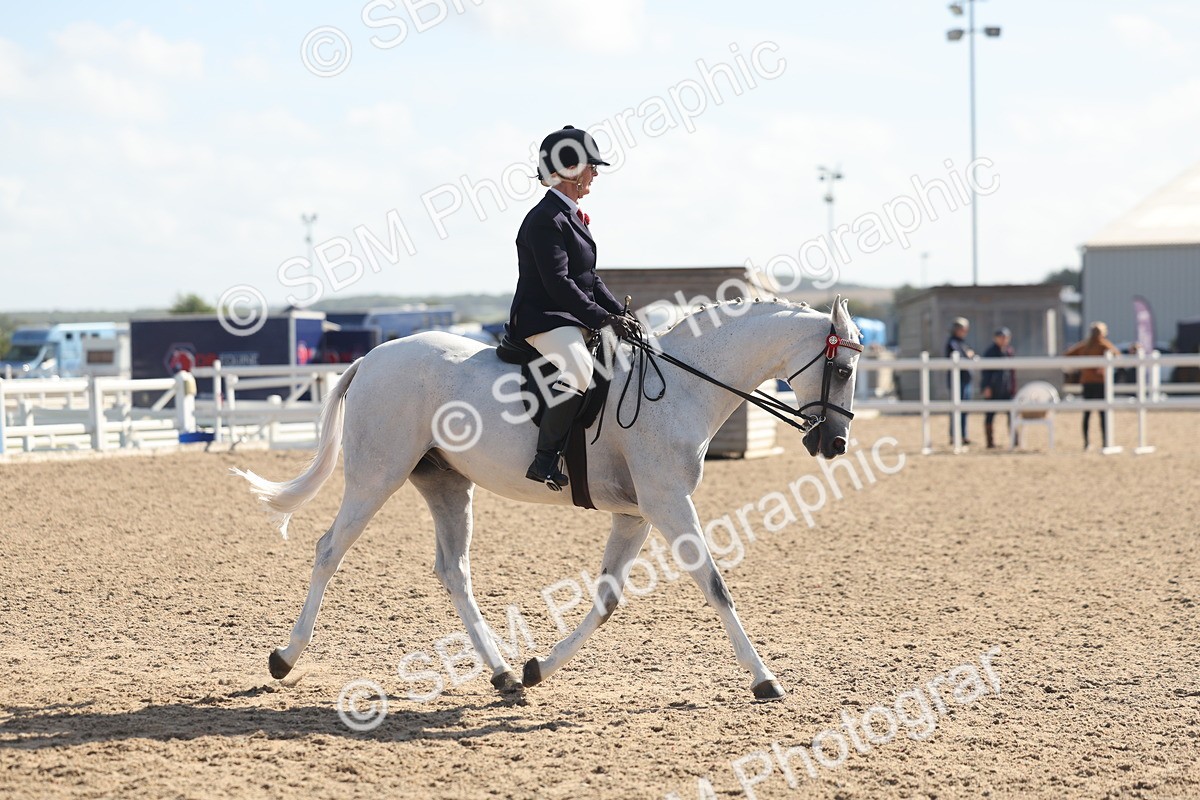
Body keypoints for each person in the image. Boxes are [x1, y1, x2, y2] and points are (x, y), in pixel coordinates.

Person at [507, 125, 642, 490]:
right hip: (544, 319)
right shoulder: (545, 219)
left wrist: (621, 315)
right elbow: (559, 284)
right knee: (581, 371)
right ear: (569, 170)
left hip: (567, 314)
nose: (595, 174)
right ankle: (545, 459)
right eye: (590, 167)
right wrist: (601, 318)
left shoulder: (569, 216)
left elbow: (589, 278)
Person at [1066, 321, 1120, 450]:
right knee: (1102, 413)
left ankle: (1087, 442)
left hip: (1087, 382)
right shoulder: (1103, 345)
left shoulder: (1085, 346)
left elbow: (1068, 354)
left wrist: (1083, 367)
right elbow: (1117, 356)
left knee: (1087, 413)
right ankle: (1105, 441)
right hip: (1100, 383)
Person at [980, 327, 1016, 449]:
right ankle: (989, 442)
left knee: (1012, 414)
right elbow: (985, 372)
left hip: (1006, 387)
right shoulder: (990, 352)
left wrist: (1013, 388)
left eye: (1005, 337)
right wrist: (986, 387)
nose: (1003, 340)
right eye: (1001, 337)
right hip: (994, 388)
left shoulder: (1009, 352)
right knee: (990, 414)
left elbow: (1012, 373)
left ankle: (1014, 440)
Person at [945, 317, 975, 444]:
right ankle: (955, 435)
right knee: (957, 407)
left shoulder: (961, 342)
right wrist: (969, 356)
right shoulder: (952, 343)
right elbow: (961, 357)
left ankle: (962, 434)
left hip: (965, 379)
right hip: (958, 380)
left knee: (964, 408)